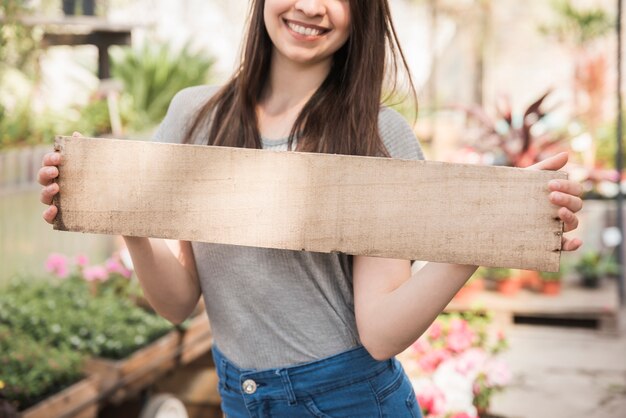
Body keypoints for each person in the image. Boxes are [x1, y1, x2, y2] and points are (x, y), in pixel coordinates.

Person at [38, 0, 583, 416]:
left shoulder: (375, 133)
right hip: (240, 395)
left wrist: (482, 237)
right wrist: (126, 215)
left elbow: (381, 332)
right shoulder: (195, 116)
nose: (311, 6)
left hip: (346, 398)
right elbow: (178, 302)